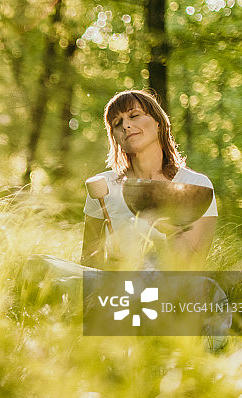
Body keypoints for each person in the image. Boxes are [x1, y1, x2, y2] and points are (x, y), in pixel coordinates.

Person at [80, 90, 217, 270]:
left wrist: (170, 232)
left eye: (134, 115)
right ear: (115, 138)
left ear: (158, 123)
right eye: (117, 123)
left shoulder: (197, 186)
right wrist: (110, 267)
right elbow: (88, 260)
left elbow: (192, 266)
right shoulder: (103, 186)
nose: (126, 125)